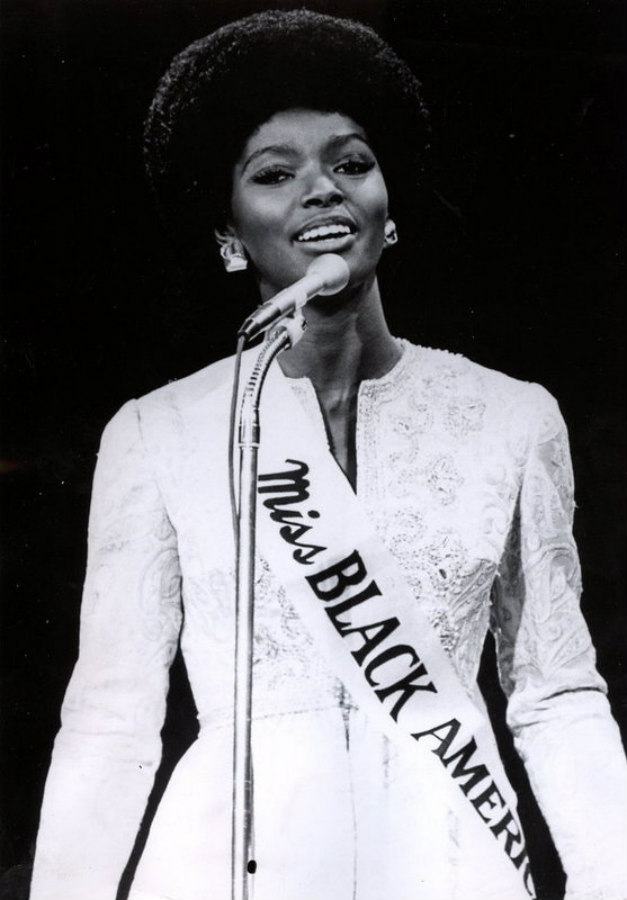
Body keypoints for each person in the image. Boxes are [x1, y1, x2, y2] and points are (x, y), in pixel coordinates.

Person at [30, 10, 627, 900]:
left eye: (350, 163)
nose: (322, 191)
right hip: (228, 860)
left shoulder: (512, 417)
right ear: (228, 229)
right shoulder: (160, 431)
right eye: (276, 174)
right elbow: (113, 720)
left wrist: (607, 880)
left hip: (453, 856)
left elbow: (556, 694)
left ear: (389, 207)